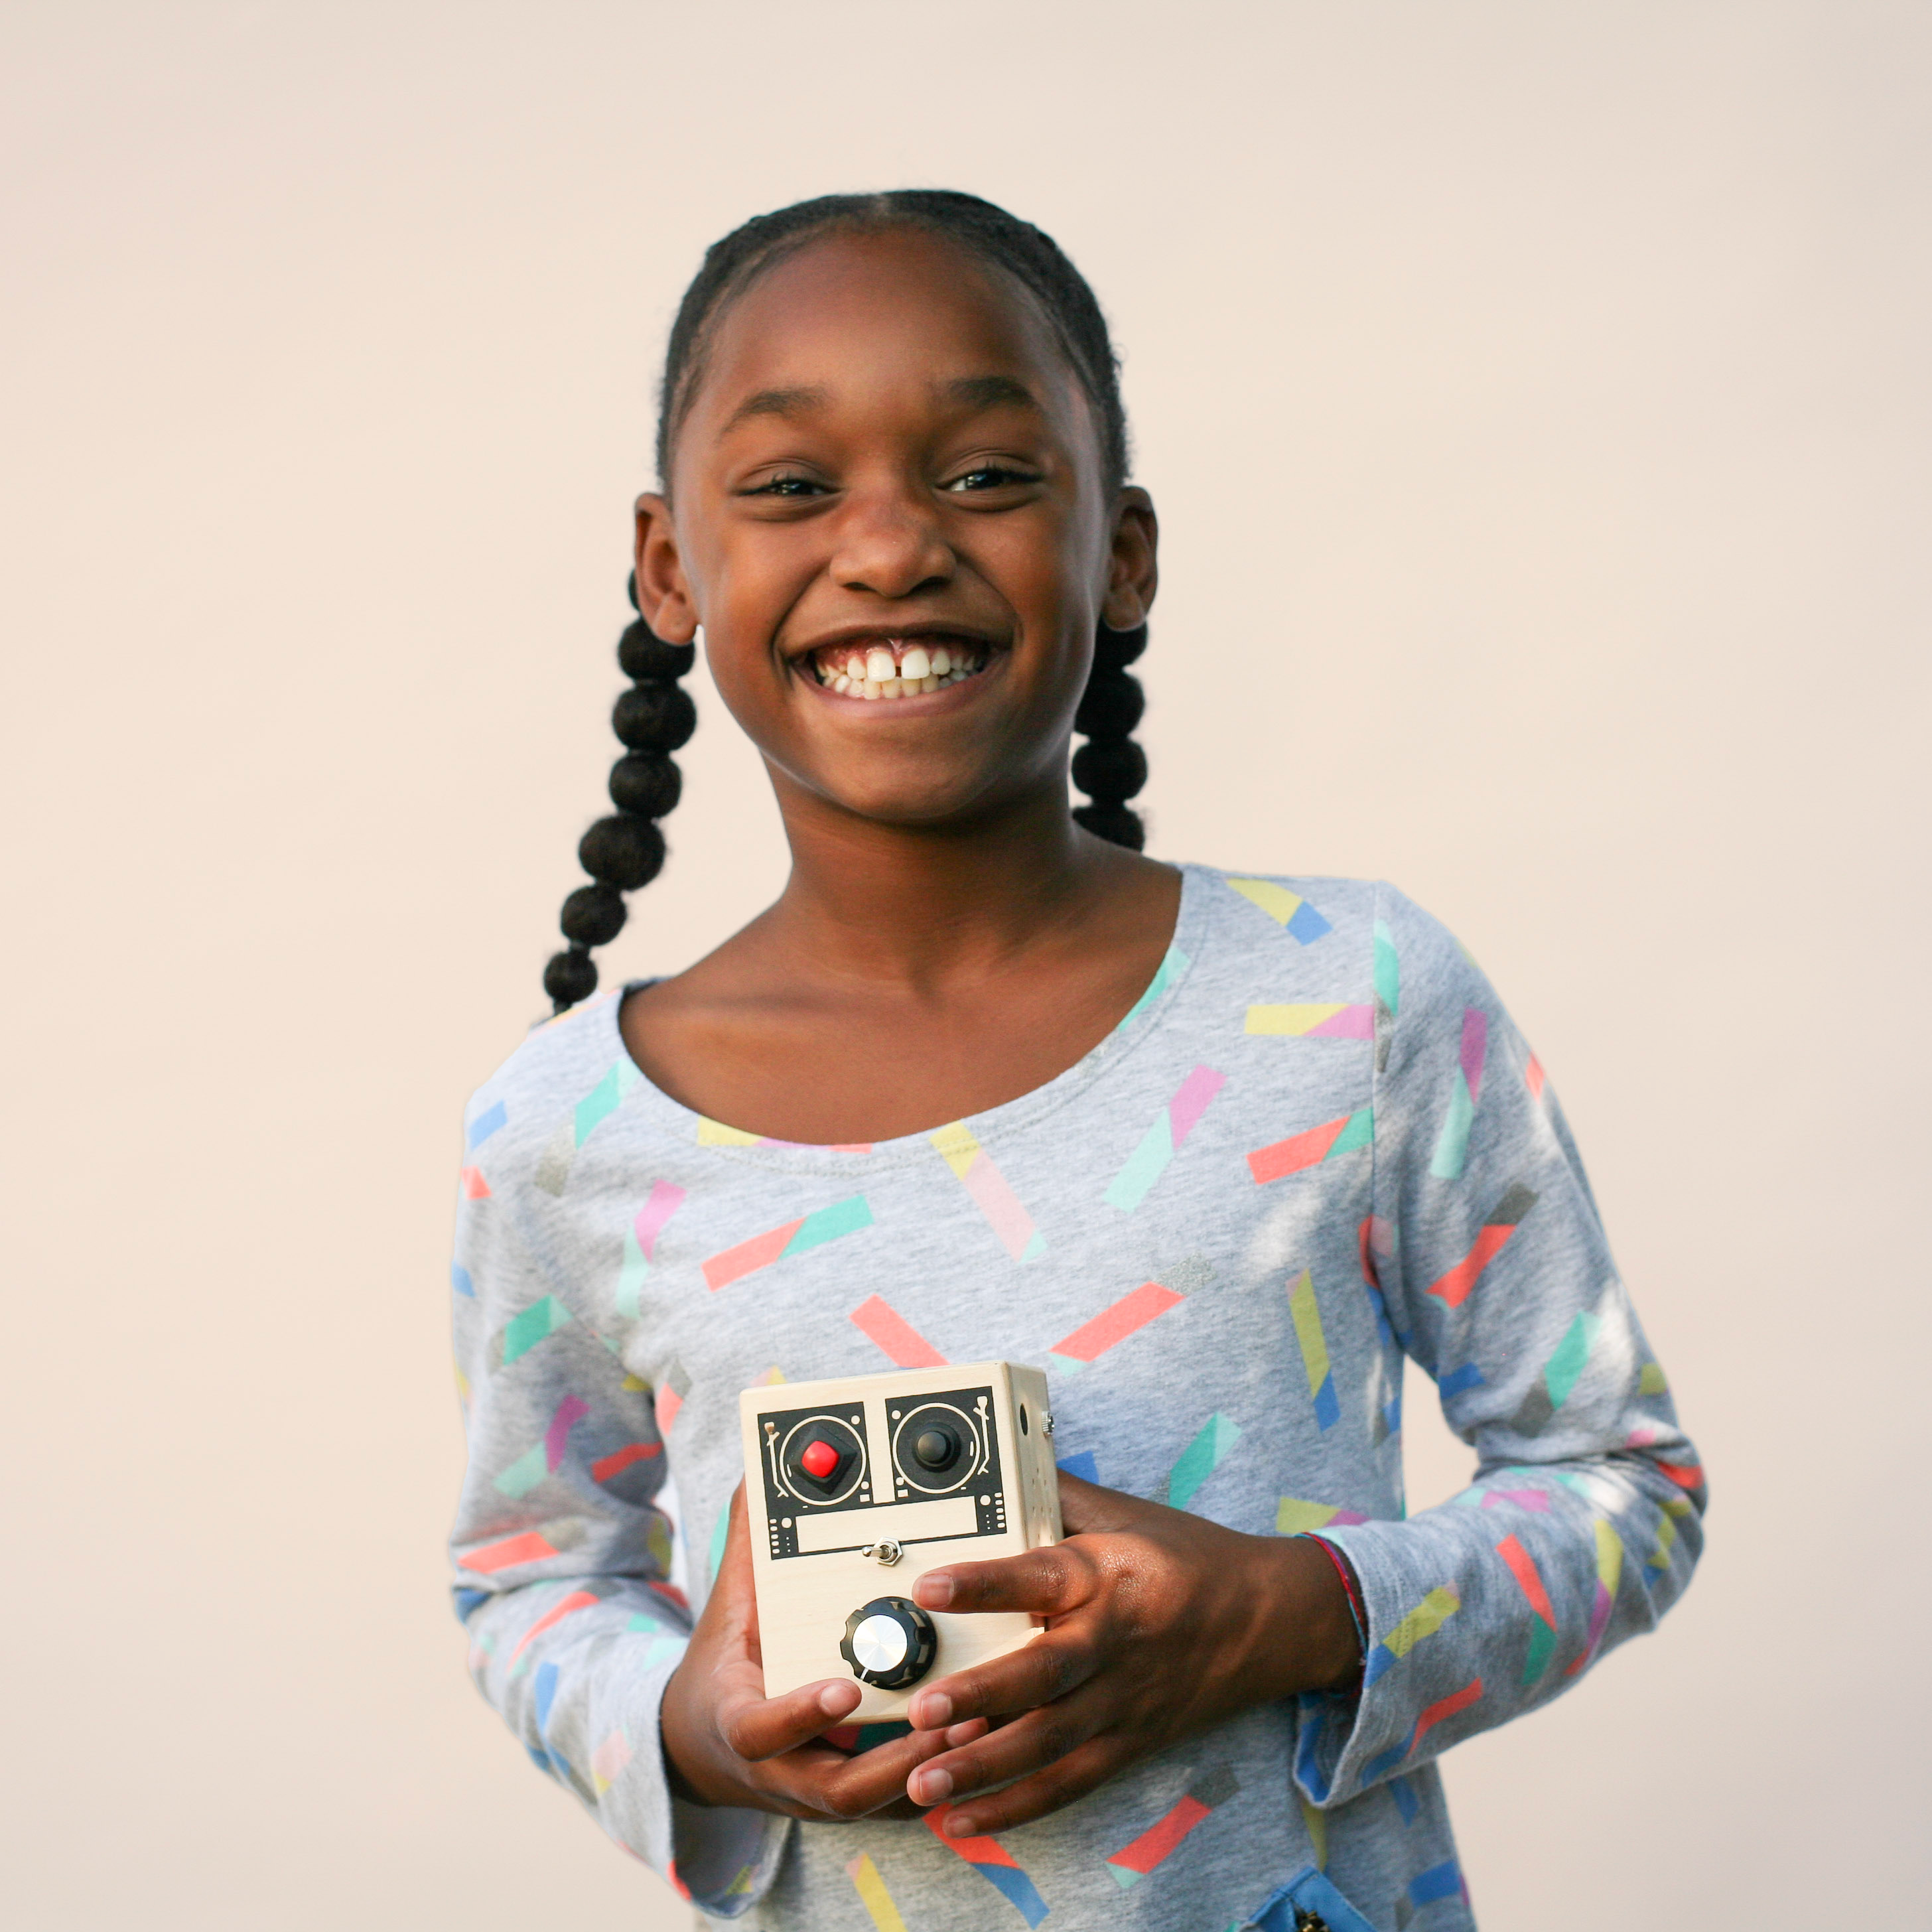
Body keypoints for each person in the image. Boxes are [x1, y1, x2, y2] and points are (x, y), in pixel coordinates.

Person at [447, 190, 1704, 1932]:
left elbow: (1624, 1487)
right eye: (795, 485)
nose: (889, 550)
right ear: (671, 568)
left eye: (984, 475)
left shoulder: (1357, 998)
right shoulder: (572, 1127)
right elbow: (529, 1585)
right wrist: (697, 1726)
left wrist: (1290, 1614)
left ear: (1123, 551)